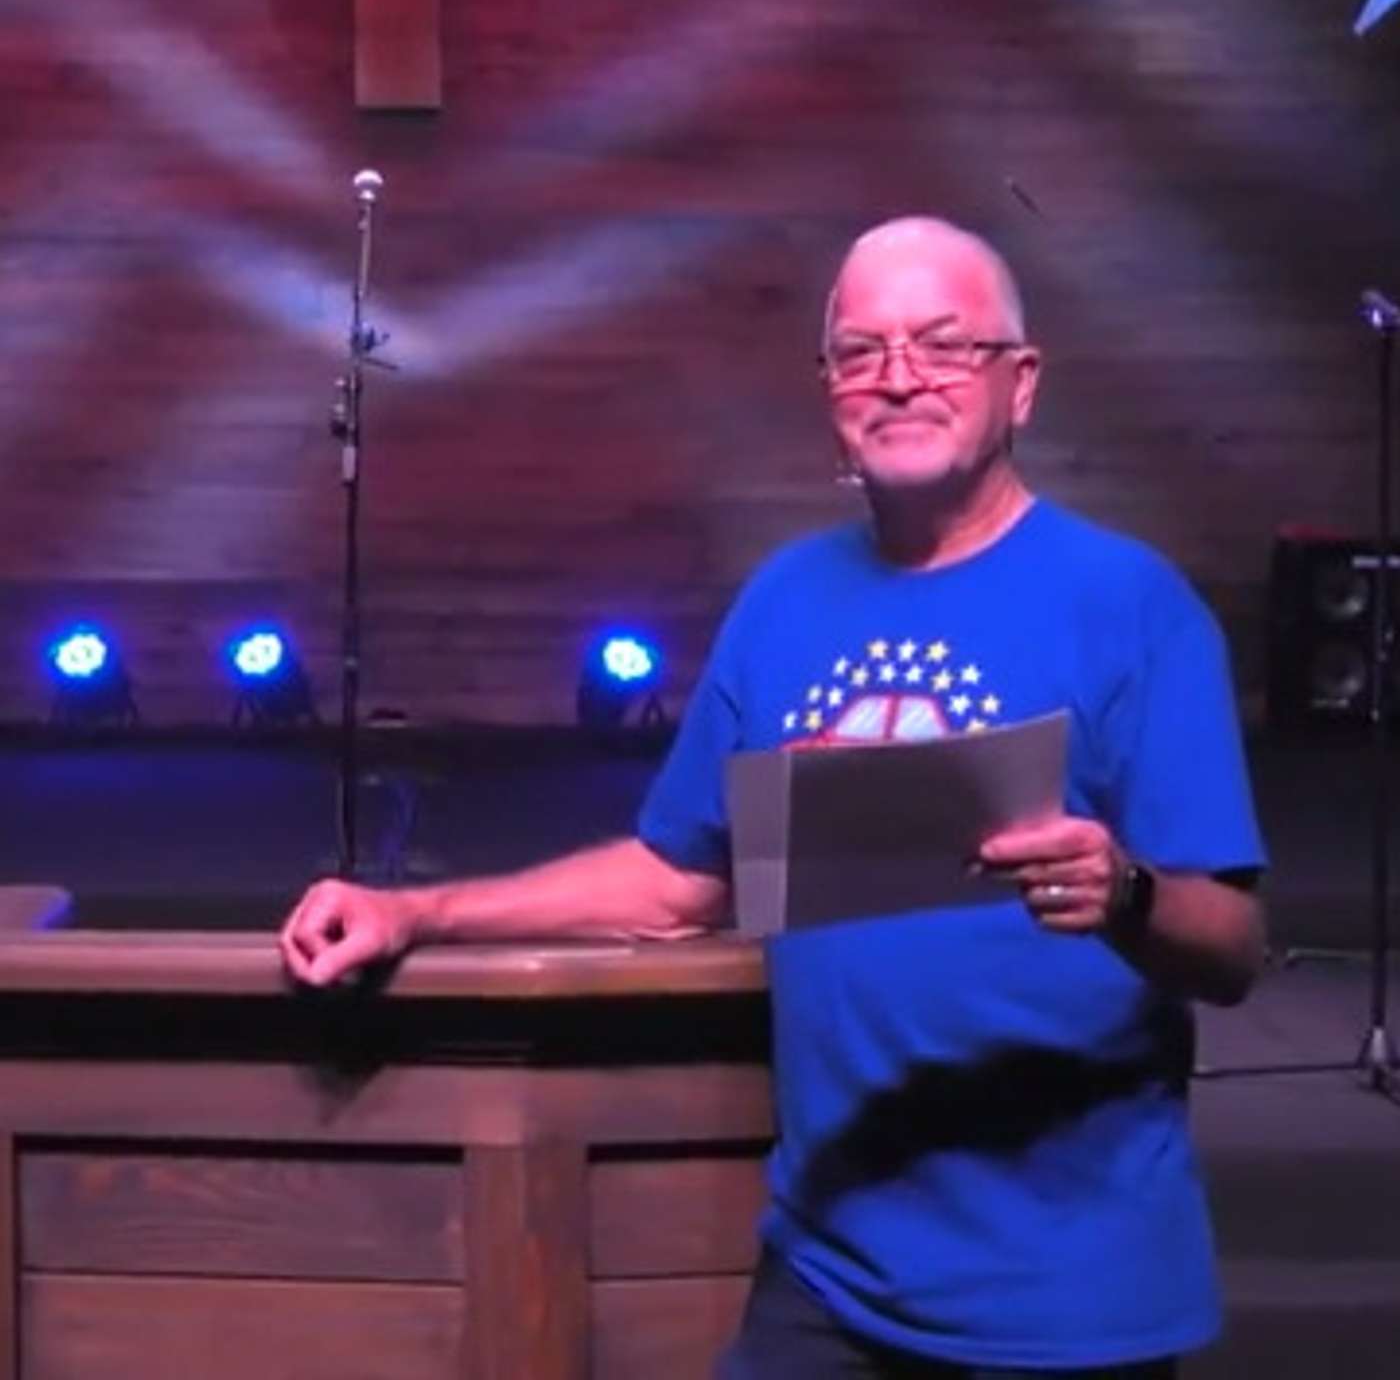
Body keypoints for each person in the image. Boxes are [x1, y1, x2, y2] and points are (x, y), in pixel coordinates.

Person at [280, 216, 1266, 1379]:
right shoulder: (785, 601)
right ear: (828, 388)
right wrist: (414, 911)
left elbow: (1231, 948)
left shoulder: (1130, 605)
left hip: (1065, 1291)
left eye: (942, 345)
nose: (897, 376)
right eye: (860, 351)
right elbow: (676, 878)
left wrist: (1123, 890)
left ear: (1021, 381)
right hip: (827, 1269)